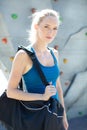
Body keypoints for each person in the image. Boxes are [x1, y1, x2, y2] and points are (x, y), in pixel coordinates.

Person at [7, 9, 69, 130]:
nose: (51, 32)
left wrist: (64, 116)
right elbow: (11, 92)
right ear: (36, 26)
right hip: (35, 118)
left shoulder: (54, 53)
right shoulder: (23, 55)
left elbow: (58, 89)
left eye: (55, 28)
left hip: (54, 115)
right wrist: (42, 97)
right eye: (46, 26)